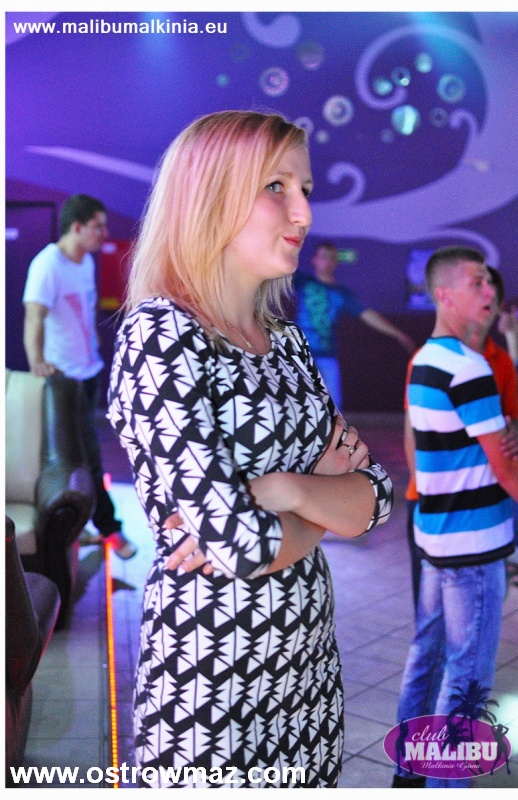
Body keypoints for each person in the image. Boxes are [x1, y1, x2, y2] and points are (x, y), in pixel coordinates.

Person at [107, 110, 393, 788]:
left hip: (308, 679)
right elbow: (242, 546)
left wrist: (285, 491)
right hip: (211, 688)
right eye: (276, 186)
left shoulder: (287, 344)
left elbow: (377, 499)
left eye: (305, 189)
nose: (304, 212)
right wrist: (320, 496)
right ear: (209, 195)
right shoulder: (162, 336)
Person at [393, 246, 518, 789]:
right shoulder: (469, 367)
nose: (490, 291)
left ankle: (408, 772)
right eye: (477, 282)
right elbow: (507, 470)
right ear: (443, 295)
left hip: (438, 537)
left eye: (490, 282)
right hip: (472, 547)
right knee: (467, 679)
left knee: (428, 655)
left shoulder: (427, 359)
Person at [23, 193, 136, 559]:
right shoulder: (47, 265)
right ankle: (110, 529)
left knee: (78, 455)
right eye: (97, 226)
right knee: (87, 455)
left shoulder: (85, 261)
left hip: (88, 371)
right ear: (77, 227)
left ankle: (80, 525)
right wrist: (37, 362)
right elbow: (34, 317)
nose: (104, 233)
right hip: (64, 380)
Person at [403, 265, 518, 609]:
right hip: (433, 504)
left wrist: (516, 435)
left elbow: (512, 422)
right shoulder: (431, 360)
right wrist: (425, 490)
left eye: (491, 297)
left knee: (474, 610)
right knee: (434, 612)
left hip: (482, 510)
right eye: (477, 290)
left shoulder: (501, 362)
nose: (486, 301)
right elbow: (412, 431)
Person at [293, 242, 416, 409]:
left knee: (333, 406)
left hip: (327, 355)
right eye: (323, 257)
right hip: (299, 353)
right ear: (314, 260)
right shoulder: (302, 281)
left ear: (336, 262)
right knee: (298, 405)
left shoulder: (342, 292)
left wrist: (397, 334)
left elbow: (368, 315)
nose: (328, 262)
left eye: (332, 258)